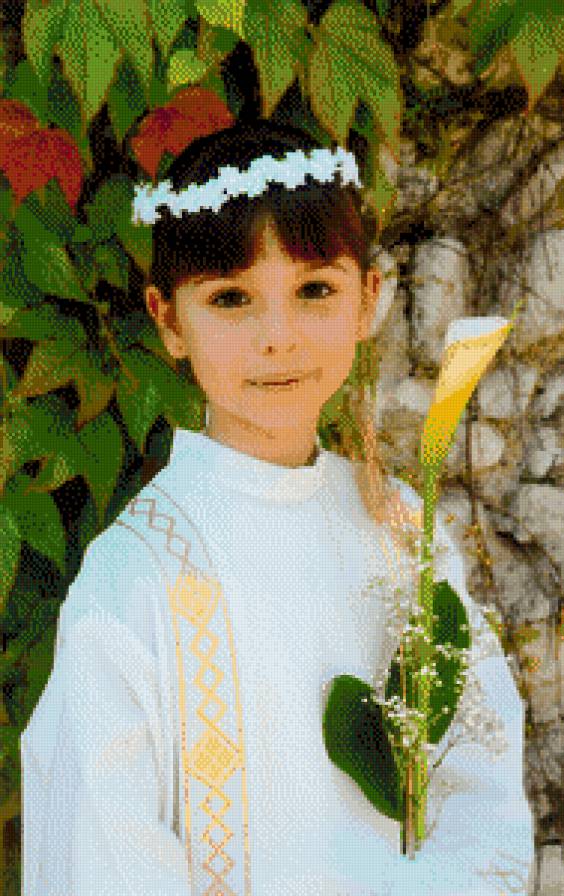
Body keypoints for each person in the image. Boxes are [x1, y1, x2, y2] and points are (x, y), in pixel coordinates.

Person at [20, 117, 535, 895]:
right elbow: (102, 839)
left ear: (367, 299)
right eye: (231, 299)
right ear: (168, 321)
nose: (277, 337)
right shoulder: (138, 573)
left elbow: (480, 775)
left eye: (313, 290)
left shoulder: (401, 529)